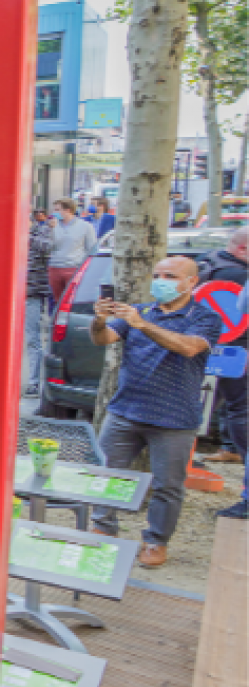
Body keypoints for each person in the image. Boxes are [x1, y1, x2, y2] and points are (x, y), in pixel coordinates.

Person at [90, 257, 222, 565]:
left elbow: (188, 347)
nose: (161, 280)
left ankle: (155, 541)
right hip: (126, 410)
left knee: (168, 485)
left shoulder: (204, 318)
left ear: (192, 282)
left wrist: (141, 325)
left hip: (174, 418)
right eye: (158, 275)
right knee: (106, 473)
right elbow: (103, 338)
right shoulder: (143, 310)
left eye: (170, 276)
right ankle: (103, 527)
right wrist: (98, 320)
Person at [201, 228, 249, 477]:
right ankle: (242, 454)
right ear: (242, 248)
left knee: (208, 403)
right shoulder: (239, 276)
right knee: (240, 407)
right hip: (236, 351)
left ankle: (230, 448)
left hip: (207, 347)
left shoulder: (207, 262)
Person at [24, 209, 55, 398]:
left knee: (32, 337)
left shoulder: (41, 233)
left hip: (33, 292)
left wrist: (24, 237)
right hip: (13, 295)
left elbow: (48, 248)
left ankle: (34, 381)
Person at [48, 198, 97, 304]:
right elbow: (48, 246)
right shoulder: (52, 226)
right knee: (57, 300)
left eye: (57, 210)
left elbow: (91, 248)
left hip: (74, 267)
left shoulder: (85, 226)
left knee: (72, 300)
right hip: (55, 267)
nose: (54, 213)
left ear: (68, 210)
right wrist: (50, 229)